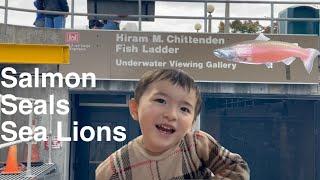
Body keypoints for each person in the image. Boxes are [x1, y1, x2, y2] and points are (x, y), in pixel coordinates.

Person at [96, 68, 250, 180]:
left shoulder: (196, 144)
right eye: (160, 100)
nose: (171, 115)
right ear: (135, 108)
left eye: (184, 109)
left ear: (192, 122)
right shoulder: (113, 169)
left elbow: (237, 167)